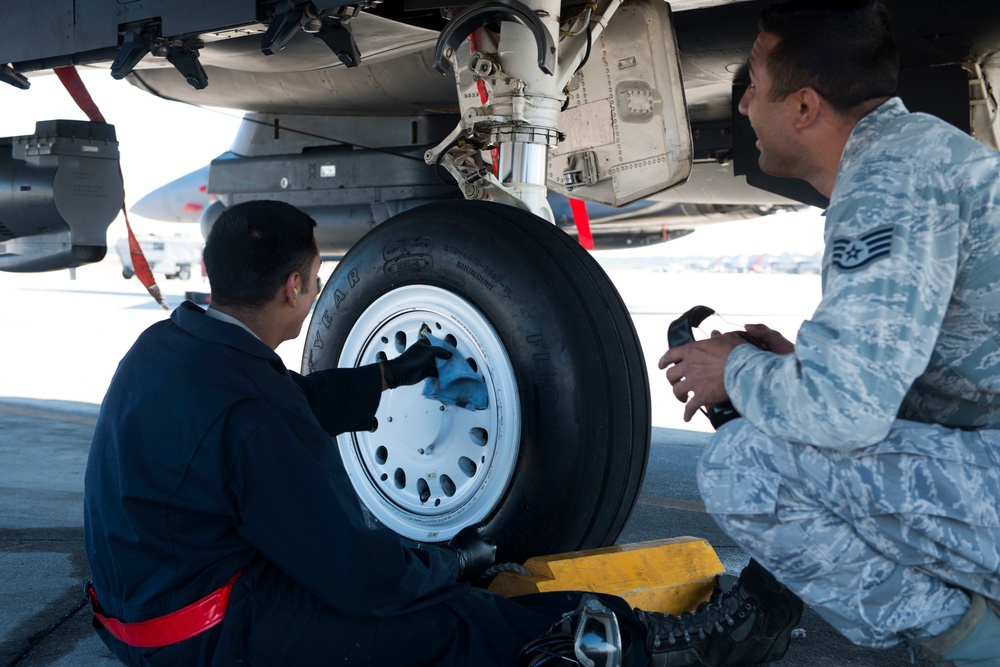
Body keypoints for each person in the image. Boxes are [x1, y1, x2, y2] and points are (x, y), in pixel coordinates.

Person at [85, 199, 800, 667]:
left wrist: (393, 375)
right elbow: (359, 574)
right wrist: (451, 563)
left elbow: (295, 399)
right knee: (461, 623)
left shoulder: (175, 348)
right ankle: (663, 643)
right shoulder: (254, 412)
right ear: (298, 288)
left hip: (143, 605)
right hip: (198, 634)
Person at [659, 1, 1000, 665]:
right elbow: (930, 372)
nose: (744, 105)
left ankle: (982, 650)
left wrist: (731, 371)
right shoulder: (914, 155)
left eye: (754, 85)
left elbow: (845, 413)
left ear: (805, 106)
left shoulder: (888, 182)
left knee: (744, 467)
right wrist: (790, 365)